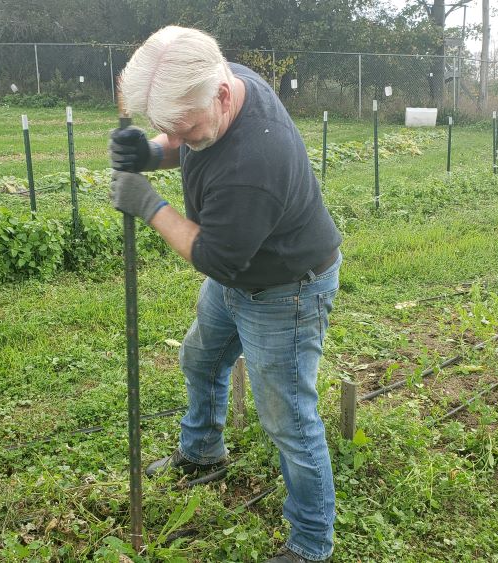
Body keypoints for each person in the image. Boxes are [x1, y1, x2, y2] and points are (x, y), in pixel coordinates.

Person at [108, 26, 342, 563]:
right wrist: (148, 151)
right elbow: (184, 141)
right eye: (172, 130)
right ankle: (204, 455)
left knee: (289, 420)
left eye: (186, 130)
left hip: (286, 289)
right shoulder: (227, 82)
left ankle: (310, 545)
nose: (181, 141)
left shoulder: (254, 166)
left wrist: (149, 206)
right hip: (243, 274)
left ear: (218, 94)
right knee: (201, 358)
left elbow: (214, 256)